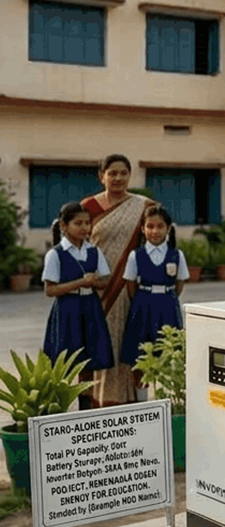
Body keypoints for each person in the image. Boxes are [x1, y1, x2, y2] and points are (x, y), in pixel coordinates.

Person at [81, 154, 153, 406]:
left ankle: (130, 402)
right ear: (102, 176)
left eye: (123, 173)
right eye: (112, 173)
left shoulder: (143, 206)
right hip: (94, 288)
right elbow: (77, 243)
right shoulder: (88, 207)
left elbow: (155, 240)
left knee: (128, 343)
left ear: (130, 175)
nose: (118, 178)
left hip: (128, 288)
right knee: (95, 344)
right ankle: (95, 401)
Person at [42, 201, 114, 382]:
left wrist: (96, 283)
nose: (84, 228)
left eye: (87, 223)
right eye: (78, 223)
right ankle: (64, 398)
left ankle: (86, 398)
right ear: (64, 226)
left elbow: (105, 281)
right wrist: (81, 282)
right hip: (67, 309)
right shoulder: (56, 254)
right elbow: (50, 290)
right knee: (65, 359)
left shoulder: (94, 251)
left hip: (90, 307)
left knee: (90, 359)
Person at [120, 204, 189, 368]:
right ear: (142, 229)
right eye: (150, 226)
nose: (155, 231)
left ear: (168, 228)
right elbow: (130, 285)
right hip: (143, 305)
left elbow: (180, 283)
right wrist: (142, 298)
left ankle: (168, 384)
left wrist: (168, 296)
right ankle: (142, 385)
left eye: (160, 226)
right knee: (141, 353)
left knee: (169, 349)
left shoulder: (176, 255)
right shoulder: (136, 255)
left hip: (168, 304)